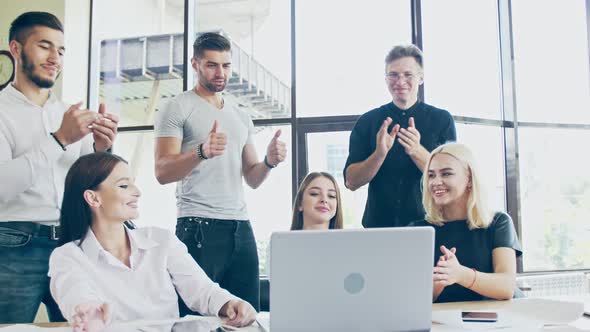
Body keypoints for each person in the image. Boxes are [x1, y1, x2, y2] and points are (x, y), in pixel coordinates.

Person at [154, 32, 287, 313]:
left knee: (245, 315)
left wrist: (269, 161)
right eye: (212, 65)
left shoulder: (240, 115)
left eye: (226, 65)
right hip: (198, 226)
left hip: (240, 227)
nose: (220, 72)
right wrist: (200, 152)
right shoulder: (177, 107)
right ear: (195, 64)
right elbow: (162, 171)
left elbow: (252, 177)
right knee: (197, 320)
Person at [48, 152, 257, 331]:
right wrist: (87, 312)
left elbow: (202, 290)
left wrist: (230, 303)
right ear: (93, 198)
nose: (137, 192)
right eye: (123, 185)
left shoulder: (160, 241)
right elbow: (73, 292)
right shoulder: (68, 256)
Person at [0, 12, 118, 323]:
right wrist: (59, 139)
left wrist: (101, 150)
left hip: (71, 244)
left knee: (86, 327)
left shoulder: (70, 113)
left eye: (61, 50)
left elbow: (85, 184)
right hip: (13, 246)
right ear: (16, 48)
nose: (55, 58)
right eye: (44, 46)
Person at [344, 44, 456, 229]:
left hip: (431, 225)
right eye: (393, 75)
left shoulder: (441, 119)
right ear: (385, 79)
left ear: (421, 77)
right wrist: (379, 154)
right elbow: (351, 182)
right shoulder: (368, 121)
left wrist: (417, 151)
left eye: (408, 74)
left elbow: (451, 179)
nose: (400, 81)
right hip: (378, 228)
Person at [410, 143, 522, 303]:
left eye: (446, 174)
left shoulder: (498, 223)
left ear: (469, 179)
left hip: (494, 322)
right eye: (431, 175)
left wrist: (460, 274)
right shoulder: (417, 230)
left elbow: (506, 287)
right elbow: (414, 301)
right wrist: (437, 283)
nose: (436, 182)